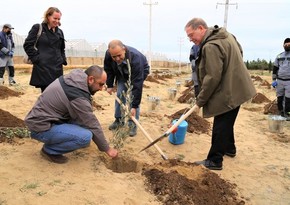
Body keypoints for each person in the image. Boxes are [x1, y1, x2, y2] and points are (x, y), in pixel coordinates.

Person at [184, 18, 256, 170]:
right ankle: (230, 149)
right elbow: (240, 51)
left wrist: (200, 101)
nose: (190, 39)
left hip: (230, 91)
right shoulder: (225, 35)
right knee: (227, 121)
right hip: (238, 86)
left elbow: (212, 77)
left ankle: (215, 160)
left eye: (191, 35)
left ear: (201, 28)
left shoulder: (210, 46)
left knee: (220, 125)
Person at [25, 65, 118, 164]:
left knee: (84, 125)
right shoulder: (77, 95)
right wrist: (107, 149)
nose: (101, 88)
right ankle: (50, 151)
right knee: (85, 137)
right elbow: (92, 123)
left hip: (49, 119)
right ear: (91, 79)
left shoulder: (74, 79)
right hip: (41, 127)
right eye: (100, 84)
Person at [104, 40, 149, 137]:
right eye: (114, 56)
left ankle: (132, 124)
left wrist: (134, 106)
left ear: (124, 49)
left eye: (119, 55)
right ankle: (119, 120)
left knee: (132, 98)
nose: (117, 59)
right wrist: (110, 85)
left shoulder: (135, 58)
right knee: (120, 94)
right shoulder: (108, 54)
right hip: (122, 73)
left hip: (139, 72)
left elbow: (137, 85)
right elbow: (109, 70)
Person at [23, 7, 67, 92]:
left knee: (57, 91)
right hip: (44, 68)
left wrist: (62, 59)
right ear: (48, 17)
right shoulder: (38, 28)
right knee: (47, 93)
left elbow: (62, 48)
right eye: (55, 18)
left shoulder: (60, 32)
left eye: (59, 19)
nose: (57, 21)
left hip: (57, 68)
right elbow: (28, 45)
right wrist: (37, 59)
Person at [272, 38, 290, 120]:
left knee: (288, 98)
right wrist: (273, 80)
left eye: (289, 44)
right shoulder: (279, 56)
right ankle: (280, 112)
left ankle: (288, 114)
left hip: (289, 81)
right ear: (283, 45)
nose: (287, 46)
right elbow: (275, 68)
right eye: (285, 44)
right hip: (279, 81)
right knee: (279, 97)